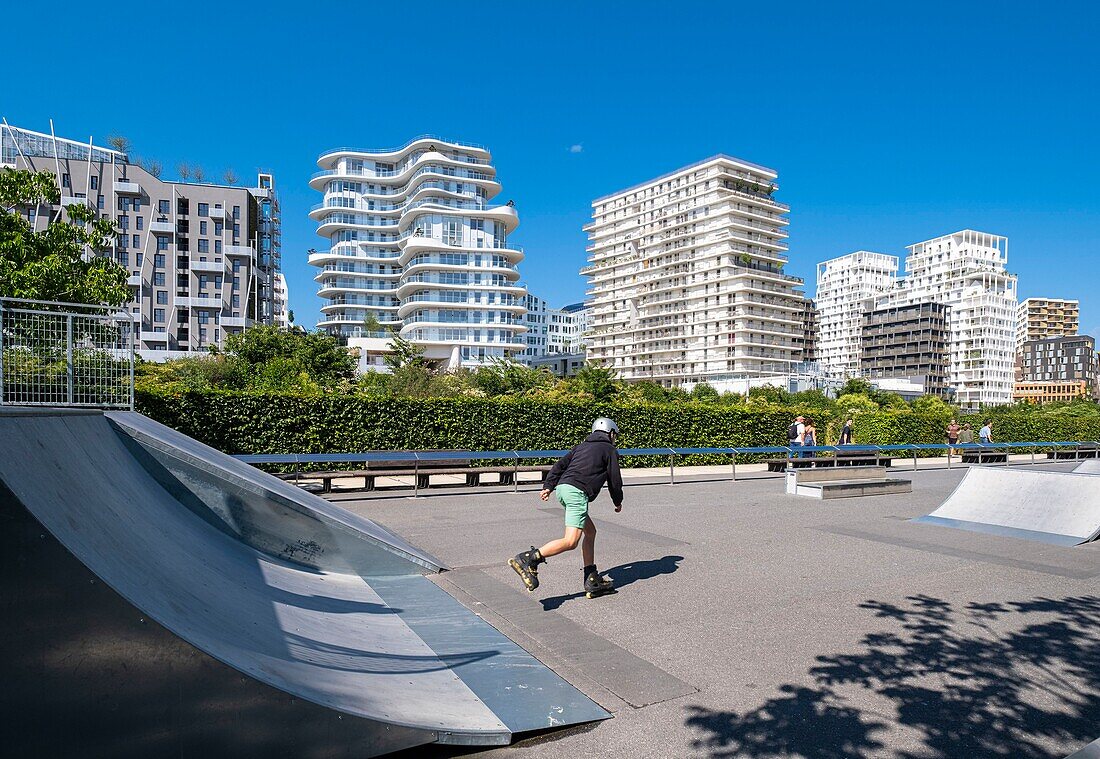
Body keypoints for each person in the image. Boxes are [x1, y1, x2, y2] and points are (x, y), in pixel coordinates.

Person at [509, 418, 623, 599]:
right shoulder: (609, 449)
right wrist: (618, 500)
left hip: (563, 489)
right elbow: (614, 479)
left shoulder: (581, 446)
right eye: (614, 435)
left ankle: (591, 578)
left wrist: (548, 485)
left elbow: (559, 466)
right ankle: (529, 558)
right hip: (577, 493)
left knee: (590, 532)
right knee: (571, 541)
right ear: (610, 433)